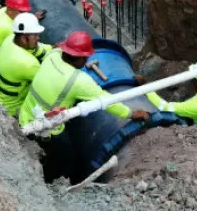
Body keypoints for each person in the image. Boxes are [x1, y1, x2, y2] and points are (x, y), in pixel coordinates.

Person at [19, 31, 150, 182]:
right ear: (81, 58)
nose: (88, 58)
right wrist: (131, 114)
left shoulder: (53, 55)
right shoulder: (78, 80)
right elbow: (107, 100)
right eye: (86, 56)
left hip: (26, 113)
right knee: (66, 160)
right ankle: (53, 186)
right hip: (45, 129)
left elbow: (54, 48)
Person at [0, 12, 52, 116]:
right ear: (23, 38)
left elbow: (35, 49)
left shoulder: (9, 40)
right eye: (35, 35)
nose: (38, 38)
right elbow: (46, 83)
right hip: (10, 109)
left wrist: (51, 48)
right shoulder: (28, 64)